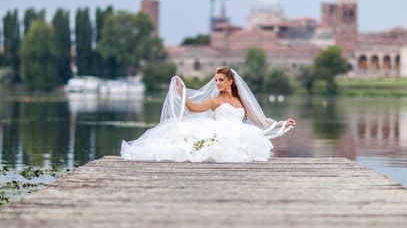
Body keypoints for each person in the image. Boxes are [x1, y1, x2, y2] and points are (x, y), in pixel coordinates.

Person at [120, 66, 296, 162]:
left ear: (230, 81)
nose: (217, 83)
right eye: (216, 80)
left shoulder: (242, 102)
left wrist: (282, 123)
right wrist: (182, 93)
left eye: (221, 80)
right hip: (218, 131)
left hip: (238, 133)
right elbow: (194, 108)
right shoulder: (215, 101)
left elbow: (261, 121)